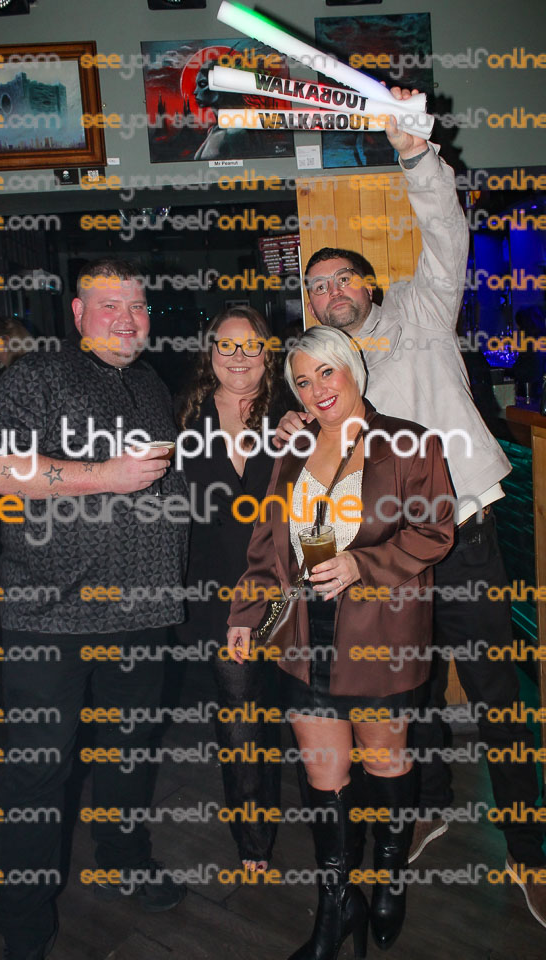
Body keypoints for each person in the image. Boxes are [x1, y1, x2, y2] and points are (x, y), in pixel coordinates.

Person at [276, 87, 546, 925]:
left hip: (460, 537)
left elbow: (446, 230)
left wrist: (415, 152)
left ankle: (532, 850)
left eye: (340, 279)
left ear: (367, 284)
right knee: (410, 695)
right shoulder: (326, 379)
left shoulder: (421, 311)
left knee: (495, 691)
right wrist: (294, 426)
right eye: (315, 287)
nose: (329, 292)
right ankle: (426, 806)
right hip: (382, 562)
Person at [0, 259, 189, 960]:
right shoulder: (35, 376)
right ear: (77, 313)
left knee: (129, 752)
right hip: (50, 612)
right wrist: (105, 477)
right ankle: (25, 930)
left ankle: (124, 856)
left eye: (137, 306)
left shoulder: (152, 385)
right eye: (109, 305)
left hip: (142, 609)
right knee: (39, 772)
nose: (127, 319)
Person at [227, 326, 454, 957]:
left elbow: (436, 530)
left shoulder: (409, 442)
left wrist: (362, 564)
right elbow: (269, 547)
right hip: (304, 635)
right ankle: (337, 902)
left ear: (353, 367)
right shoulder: (294, 450)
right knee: (323, 774)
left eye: (326, 371)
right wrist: (246, 613)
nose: (316, 389)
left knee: (385, 763)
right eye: (302, 381)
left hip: (381, 633)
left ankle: (388, 873)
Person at [176, 306, 288, 871]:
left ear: (268, 353)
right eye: (226, 345)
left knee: (300, 712)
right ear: (210, 352)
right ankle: (253, 841)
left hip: (291, 591)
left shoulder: (292, 411)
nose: (239, 357)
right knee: (241, 715)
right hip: (219, 592)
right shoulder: (182, 416)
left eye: (251, 346)